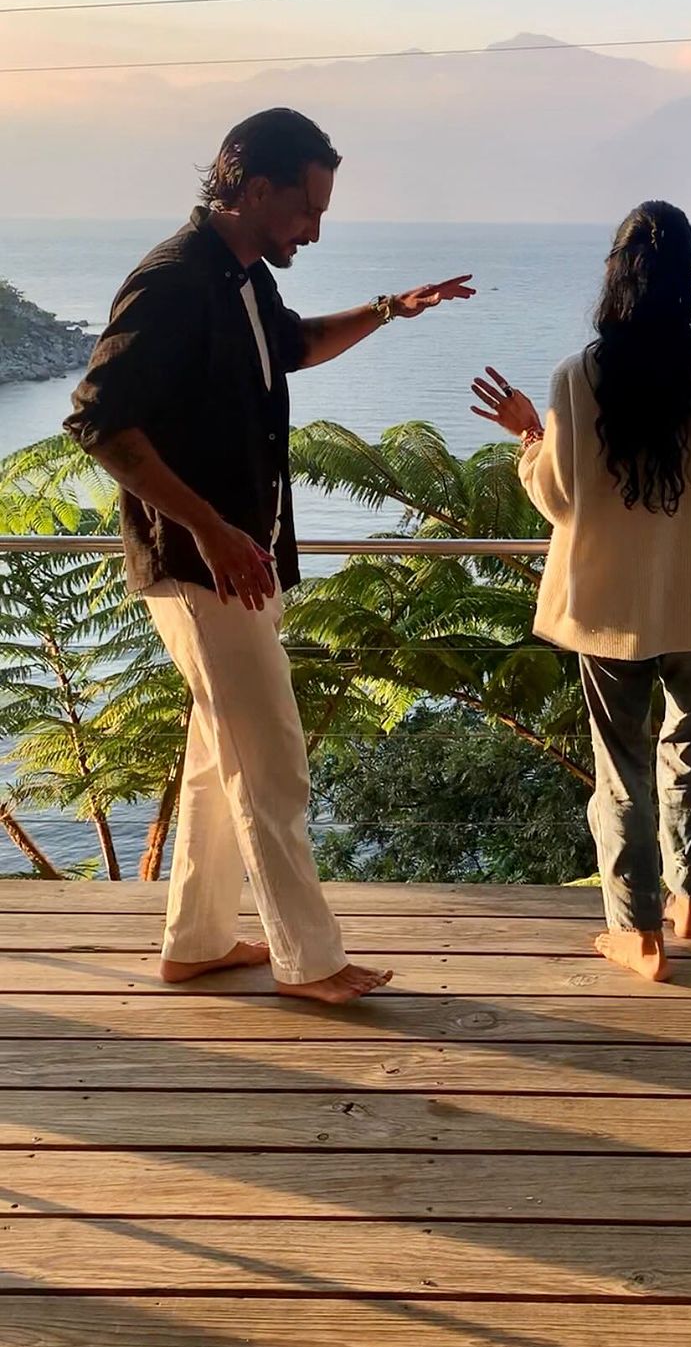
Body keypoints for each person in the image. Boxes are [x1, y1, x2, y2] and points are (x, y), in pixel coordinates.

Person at [65, 107, 474, 1004]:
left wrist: (389, 309)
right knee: (274, 761)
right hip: (199, 566)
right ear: (255, 190)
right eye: (307, 209)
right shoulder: (172, 281)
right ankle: (309, 961)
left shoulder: (244, 278)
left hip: (242, 561)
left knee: (222, 761)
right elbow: (98, 421)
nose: (315, 230)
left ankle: (197, 941)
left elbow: (293, 347)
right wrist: (210, 527)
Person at [471, 200, 691, 983]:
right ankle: (689, 900)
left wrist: (529, 436)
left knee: (622, 765)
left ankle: (639, 933)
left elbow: (559, 498)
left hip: (609, 607)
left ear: (615, 274)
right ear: (688, 276)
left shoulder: (579, 375)